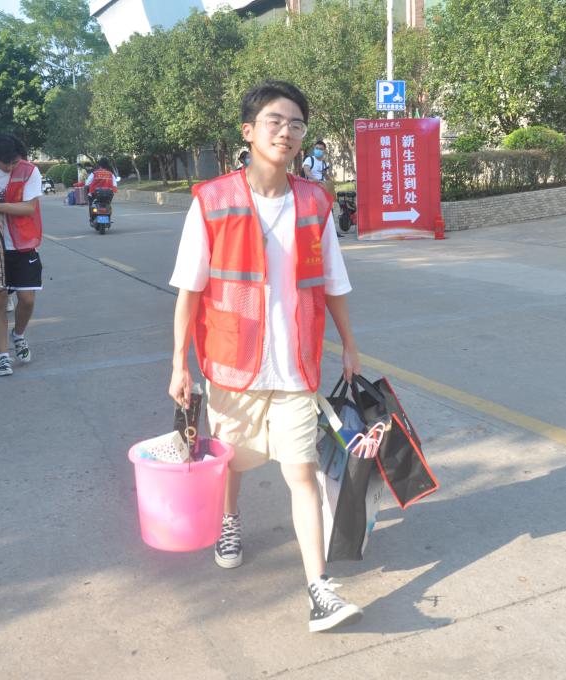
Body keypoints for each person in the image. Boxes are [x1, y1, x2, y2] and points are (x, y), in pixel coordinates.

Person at [168, 81, 363, 633]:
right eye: (274, 121)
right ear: (248, 131)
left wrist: (349, 344)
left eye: (296, 124)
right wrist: (179, 363)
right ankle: (229, 520)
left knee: (302, 471)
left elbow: (332, 281)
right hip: (233, 360)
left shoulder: (315, 201)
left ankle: (319, 589)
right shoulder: (212, 201)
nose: (286, 132)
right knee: (233, 461)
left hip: (297, 362)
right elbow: (189, 289)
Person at [0, 134, 44, 377]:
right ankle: (3, 357)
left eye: (15, 162)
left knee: (27, 299)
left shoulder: (29, 171)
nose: (11, 167)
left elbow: (29, 207)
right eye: (7, 164)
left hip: (22, 243)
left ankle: (18, 335)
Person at [84, 158, 119, 222]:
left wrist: (86, 195)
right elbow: (115, 185)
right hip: (108, 194)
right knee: (108, 205)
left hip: (95, 194)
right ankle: (109, 218)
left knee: (91, 204)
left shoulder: (94, 173)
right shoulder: (110, 174)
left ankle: (91, 218)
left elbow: (87, 184)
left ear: (99, 165)